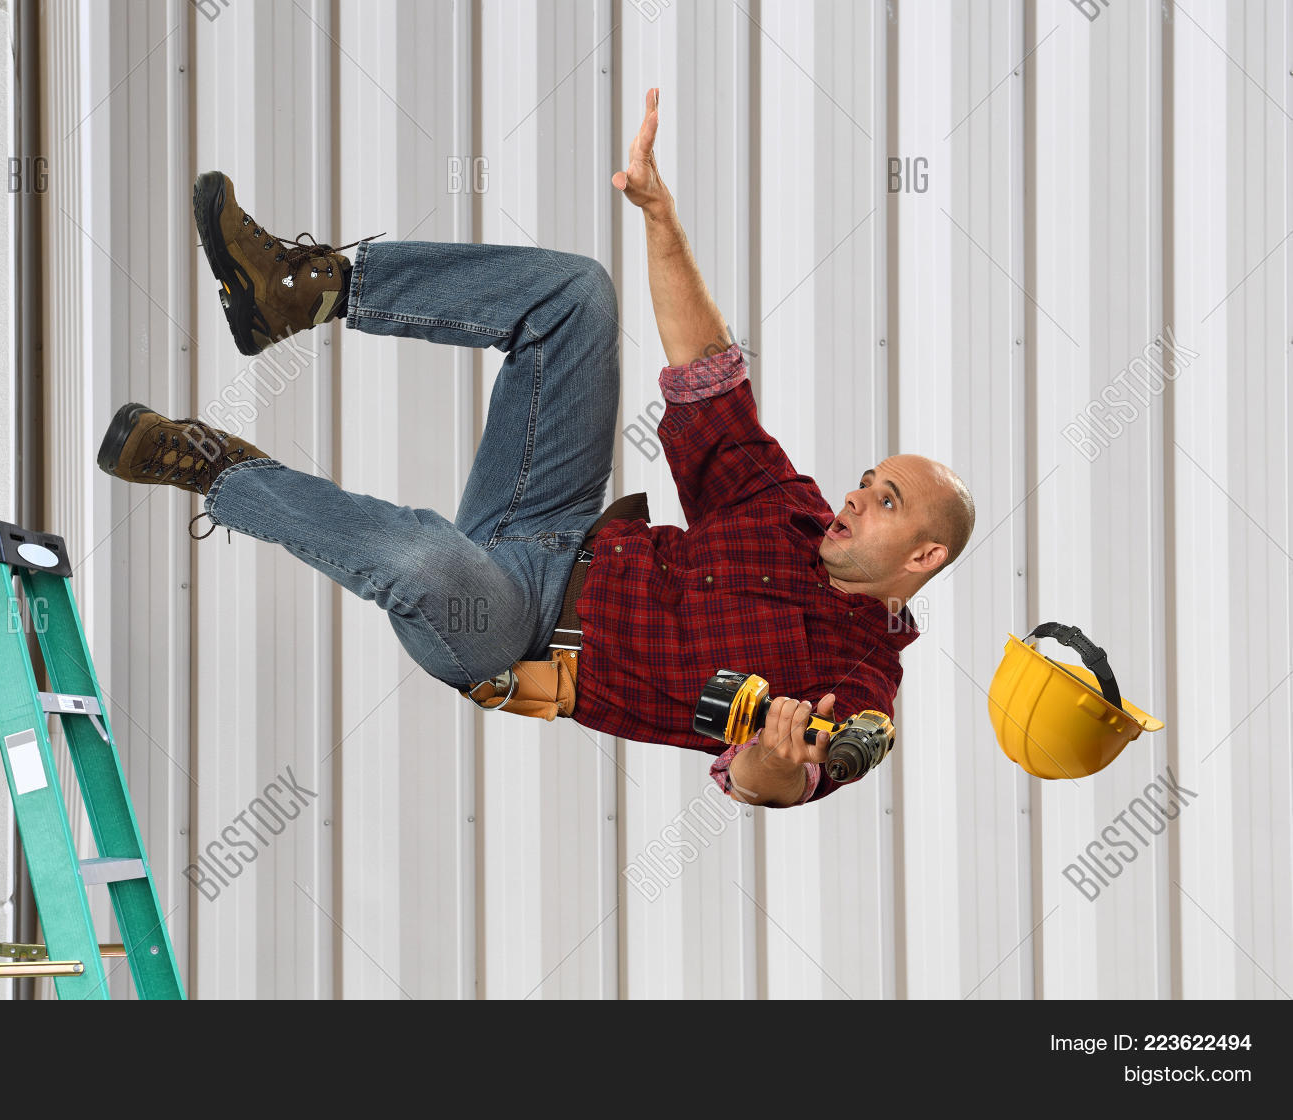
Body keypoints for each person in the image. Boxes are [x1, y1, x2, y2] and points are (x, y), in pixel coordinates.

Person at [96, 88, 975, 809]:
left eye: (885, 501)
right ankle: (305, 289)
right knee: (575, 294)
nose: (856, 498)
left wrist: (780, 756)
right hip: (552, 523)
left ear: (925, 554)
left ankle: (218, 469)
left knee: (426, 558)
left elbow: (768, 782)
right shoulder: (790, 511)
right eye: (869, 480)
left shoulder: (855, 682)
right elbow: (709, 374)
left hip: (513, 634)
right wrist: (660, 218)